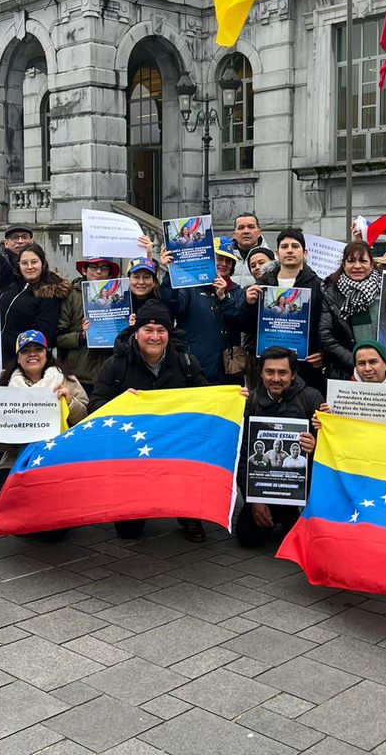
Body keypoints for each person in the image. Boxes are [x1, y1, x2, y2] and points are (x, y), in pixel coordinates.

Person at [90, 302, 207, 540]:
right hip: (131, 446)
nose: (155, 336)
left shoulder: (186, 362)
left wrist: (233, 397)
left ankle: (189, 513)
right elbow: (95, 404)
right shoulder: (116, 365)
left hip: (174, 445)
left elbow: (205, 397)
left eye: (161, 330)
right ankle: (132, 506)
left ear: (169, 333)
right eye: (148, 330)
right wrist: (120, 403)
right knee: (129, 531)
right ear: (137, 332)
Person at [236, 348, 323, 548]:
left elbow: (332, 453)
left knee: (306, 541)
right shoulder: (251, 401)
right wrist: (253, 500)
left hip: (300, 491)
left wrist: (316, 447)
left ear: (293, 375)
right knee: (246, 537)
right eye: (270, 372)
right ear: (261, 373)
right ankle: (270, 514)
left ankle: (294, 515)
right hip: (262, 489)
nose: (276, 378)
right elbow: (241, 456)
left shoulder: (311, 399)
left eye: (282, 373)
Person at [0, 330, 89, 493]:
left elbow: (84, 421)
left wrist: (71, 402)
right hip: (17, 458)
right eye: (26, 351)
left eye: (38, 349)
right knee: (0, 491)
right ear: (18, 357)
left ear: (47, 353)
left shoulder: (67, 380)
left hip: (60, 455)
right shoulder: (4, 387)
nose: (32, 355)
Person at [244, 228, 326, 390]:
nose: (289, 250)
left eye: (295, 246)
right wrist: (247, 303)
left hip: (305, 370)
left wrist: (324, 354)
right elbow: (246, 325)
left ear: (305, 253)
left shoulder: (319, 286)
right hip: (268, 370)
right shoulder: (261, 285)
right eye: (284, 246)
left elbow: (326, 325)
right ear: (277, 253)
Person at [160, 237, 246, 383]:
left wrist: (223, 298)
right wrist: (171, 275)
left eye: (228, 261)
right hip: (195, 370)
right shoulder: (189, 287)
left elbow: (240, 321)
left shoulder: (237, 291)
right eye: (218, 258)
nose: (223, 264)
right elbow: (172, 307)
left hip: (228, 373)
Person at [318, 240, 383, 380]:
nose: (357, 266)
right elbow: (326, 335)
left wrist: (380, 363)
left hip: (382, 370)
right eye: (351, 261)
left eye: (363, 261)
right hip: (344, 371)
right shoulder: (331, 291)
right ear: (344, 264)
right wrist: (357, 363)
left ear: (371, 264)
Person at [57, 257, 122, 392]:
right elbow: (57, 338)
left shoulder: (118, 296)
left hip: (109, 373)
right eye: (93, 267)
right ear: (84, 270)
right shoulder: (70, 295)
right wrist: (82, 336)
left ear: (110, 274)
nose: (98, 272)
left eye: (104, 268)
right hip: (77, 375)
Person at [0, 242, 70, 362]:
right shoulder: (13, 285)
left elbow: (43, 334)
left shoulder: (49, 293)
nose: (29, 267)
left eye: (34, 262)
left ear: (42, 263)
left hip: (23, 359)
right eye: (24, 263)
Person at [0, 224, 33, 298]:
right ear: (6, 243)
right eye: (15, 237)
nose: (20, 241)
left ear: (31, 241)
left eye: (24, 237)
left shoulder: (39, 260)